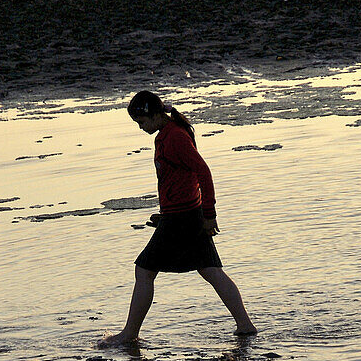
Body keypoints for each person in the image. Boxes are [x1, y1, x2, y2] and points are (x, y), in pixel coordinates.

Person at [98, 91, 257, 347]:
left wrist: (209, 214)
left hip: (184, 217)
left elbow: (203, 172)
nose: (141, 128)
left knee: (144, 270)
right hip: (179, 216)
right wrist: (164, 216)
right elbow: (178, 180)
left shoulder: (175, 138)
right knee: (210, 271)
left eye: (141, 122)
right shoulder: (165, 136)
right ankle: (245, 326)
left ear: (153, 115)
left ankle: (130, 334)